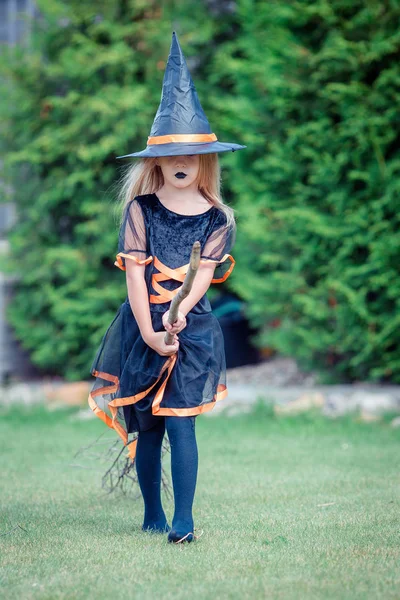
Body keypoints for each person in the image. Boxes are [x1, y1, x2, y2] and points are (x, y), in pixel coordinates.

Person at [88, 31, 246, 544]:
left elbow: (200, 277)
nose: (182, 161)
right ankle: (153, 512)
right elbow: (135, 274)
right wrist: (150, 329)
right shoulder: (141, 211)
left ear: (206, 161)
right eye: (170, 153)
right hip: (141, 327)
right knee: (149, 428)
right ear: (155, 161)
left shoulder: (218, 219)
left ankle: (184, 522)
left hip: (190, 330)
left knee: (182, 424)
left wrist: (179, 316)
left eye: (191, 154)